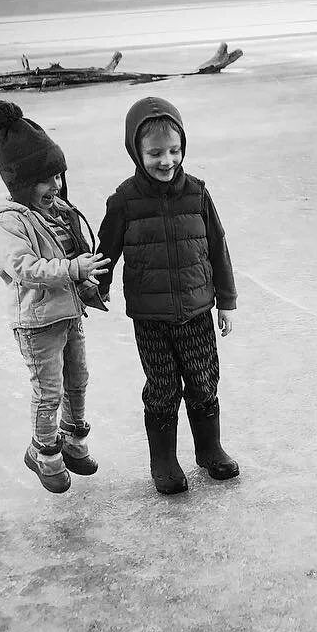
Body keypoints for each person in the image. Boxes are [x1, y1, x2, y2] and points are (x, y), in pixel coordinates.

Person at [94, 96, 239, 495]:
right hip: (150, 316)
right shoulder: (124, 199)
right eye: (155, 152)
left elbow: (217, 245)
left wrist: (225, 300)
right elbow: (106, 250)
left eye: (174, 151)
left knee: (203, 381)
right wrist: (97, 287)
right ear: (136, 152)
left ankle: (210, 450)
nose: (167, 160)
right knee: (161, 387)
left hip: (196, 310)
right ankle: (164, 461)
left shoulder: (197, 194)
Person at [0, 100, 110, 494]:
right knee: (48, 392)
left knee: (79, 379)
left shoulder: (56, 212)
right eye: (44, 180)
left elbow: (70, 255)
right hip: (37, 323)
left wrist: (87, 284)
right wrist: (72, 272)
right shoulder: (9, 221)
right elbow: (24, 267)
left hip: (67, 315)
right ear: (20, 182)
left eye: (57, 176)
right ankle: (44, 452)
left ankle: (73, 443)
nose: (54, 186)